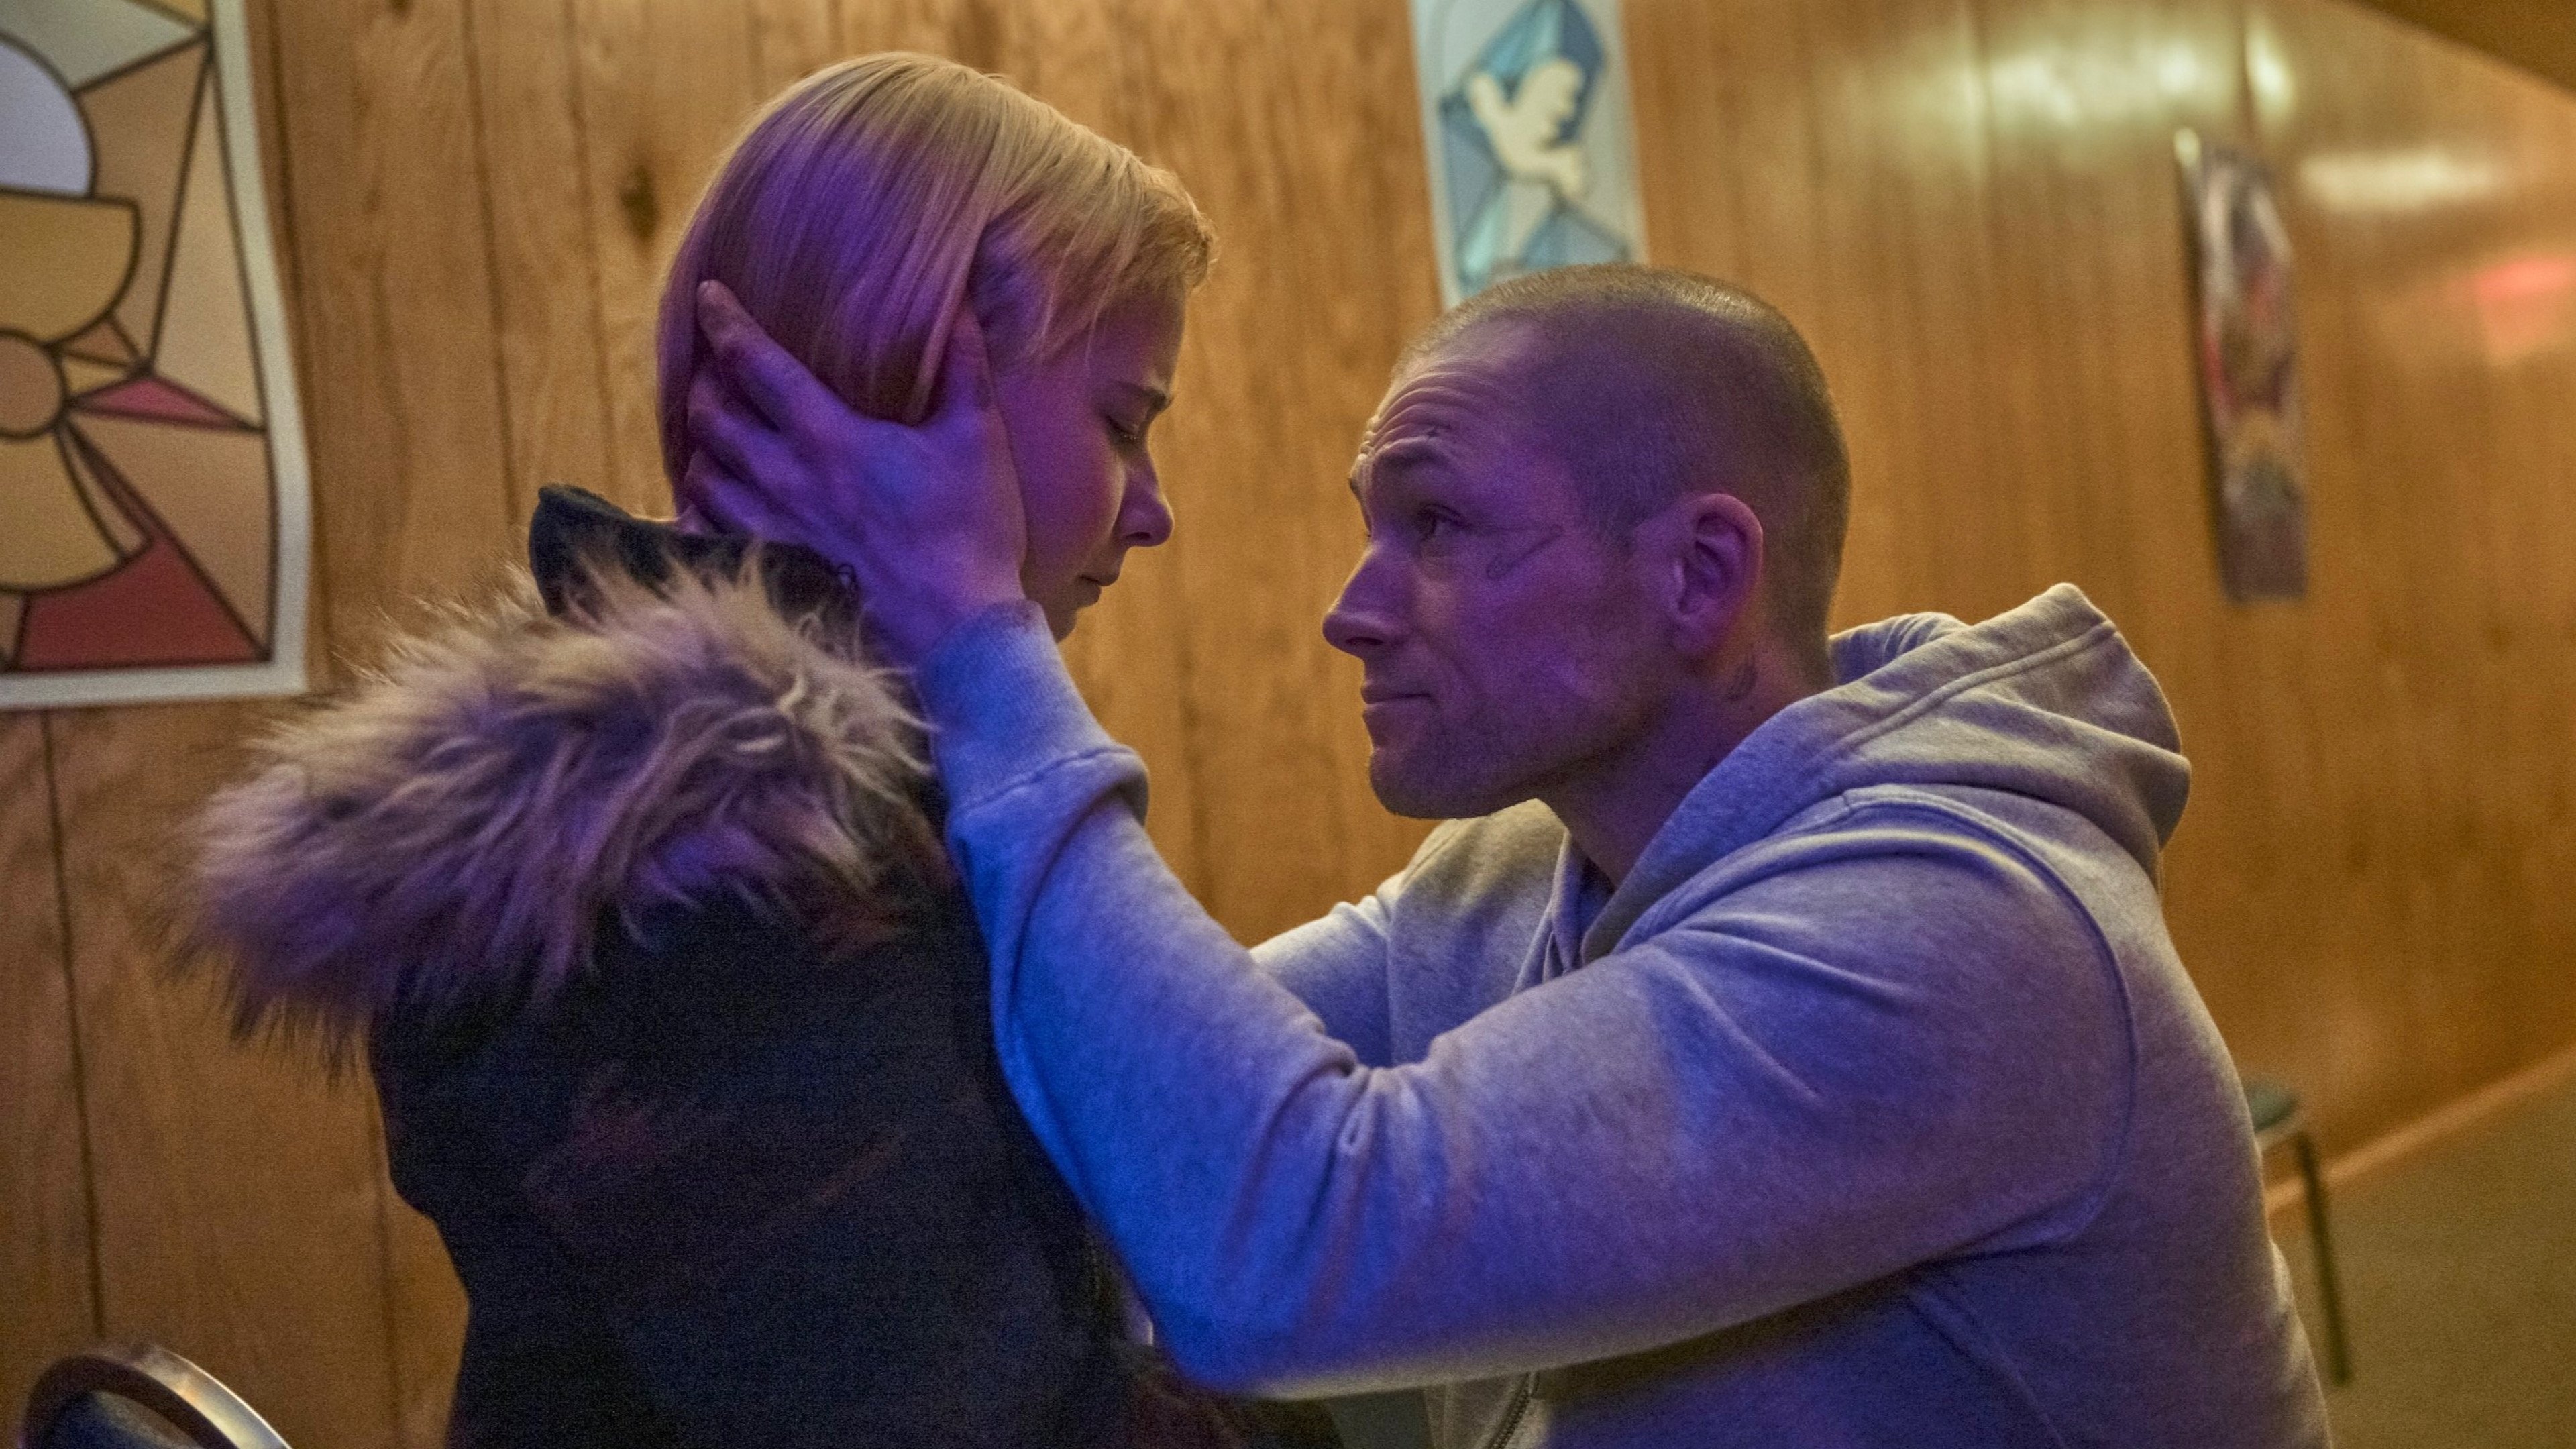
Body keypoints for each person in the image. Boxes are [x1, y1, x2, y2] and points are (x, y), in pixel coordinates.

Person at [683, 260, 2334, 1446]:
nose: (1353, 610)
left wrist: (975, 636)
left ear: (1699, 579)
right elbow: (1104, 1116)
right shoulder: (1514, 874)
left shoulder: (1961, 933)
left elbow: (1281, 1252)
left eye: (1441, 525)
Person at [186, 52, 1335, 1449]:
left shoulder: (773, 799)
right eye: (1124, 425)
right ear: (921, 388)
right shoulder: (716, 866)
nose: (1152, 512)